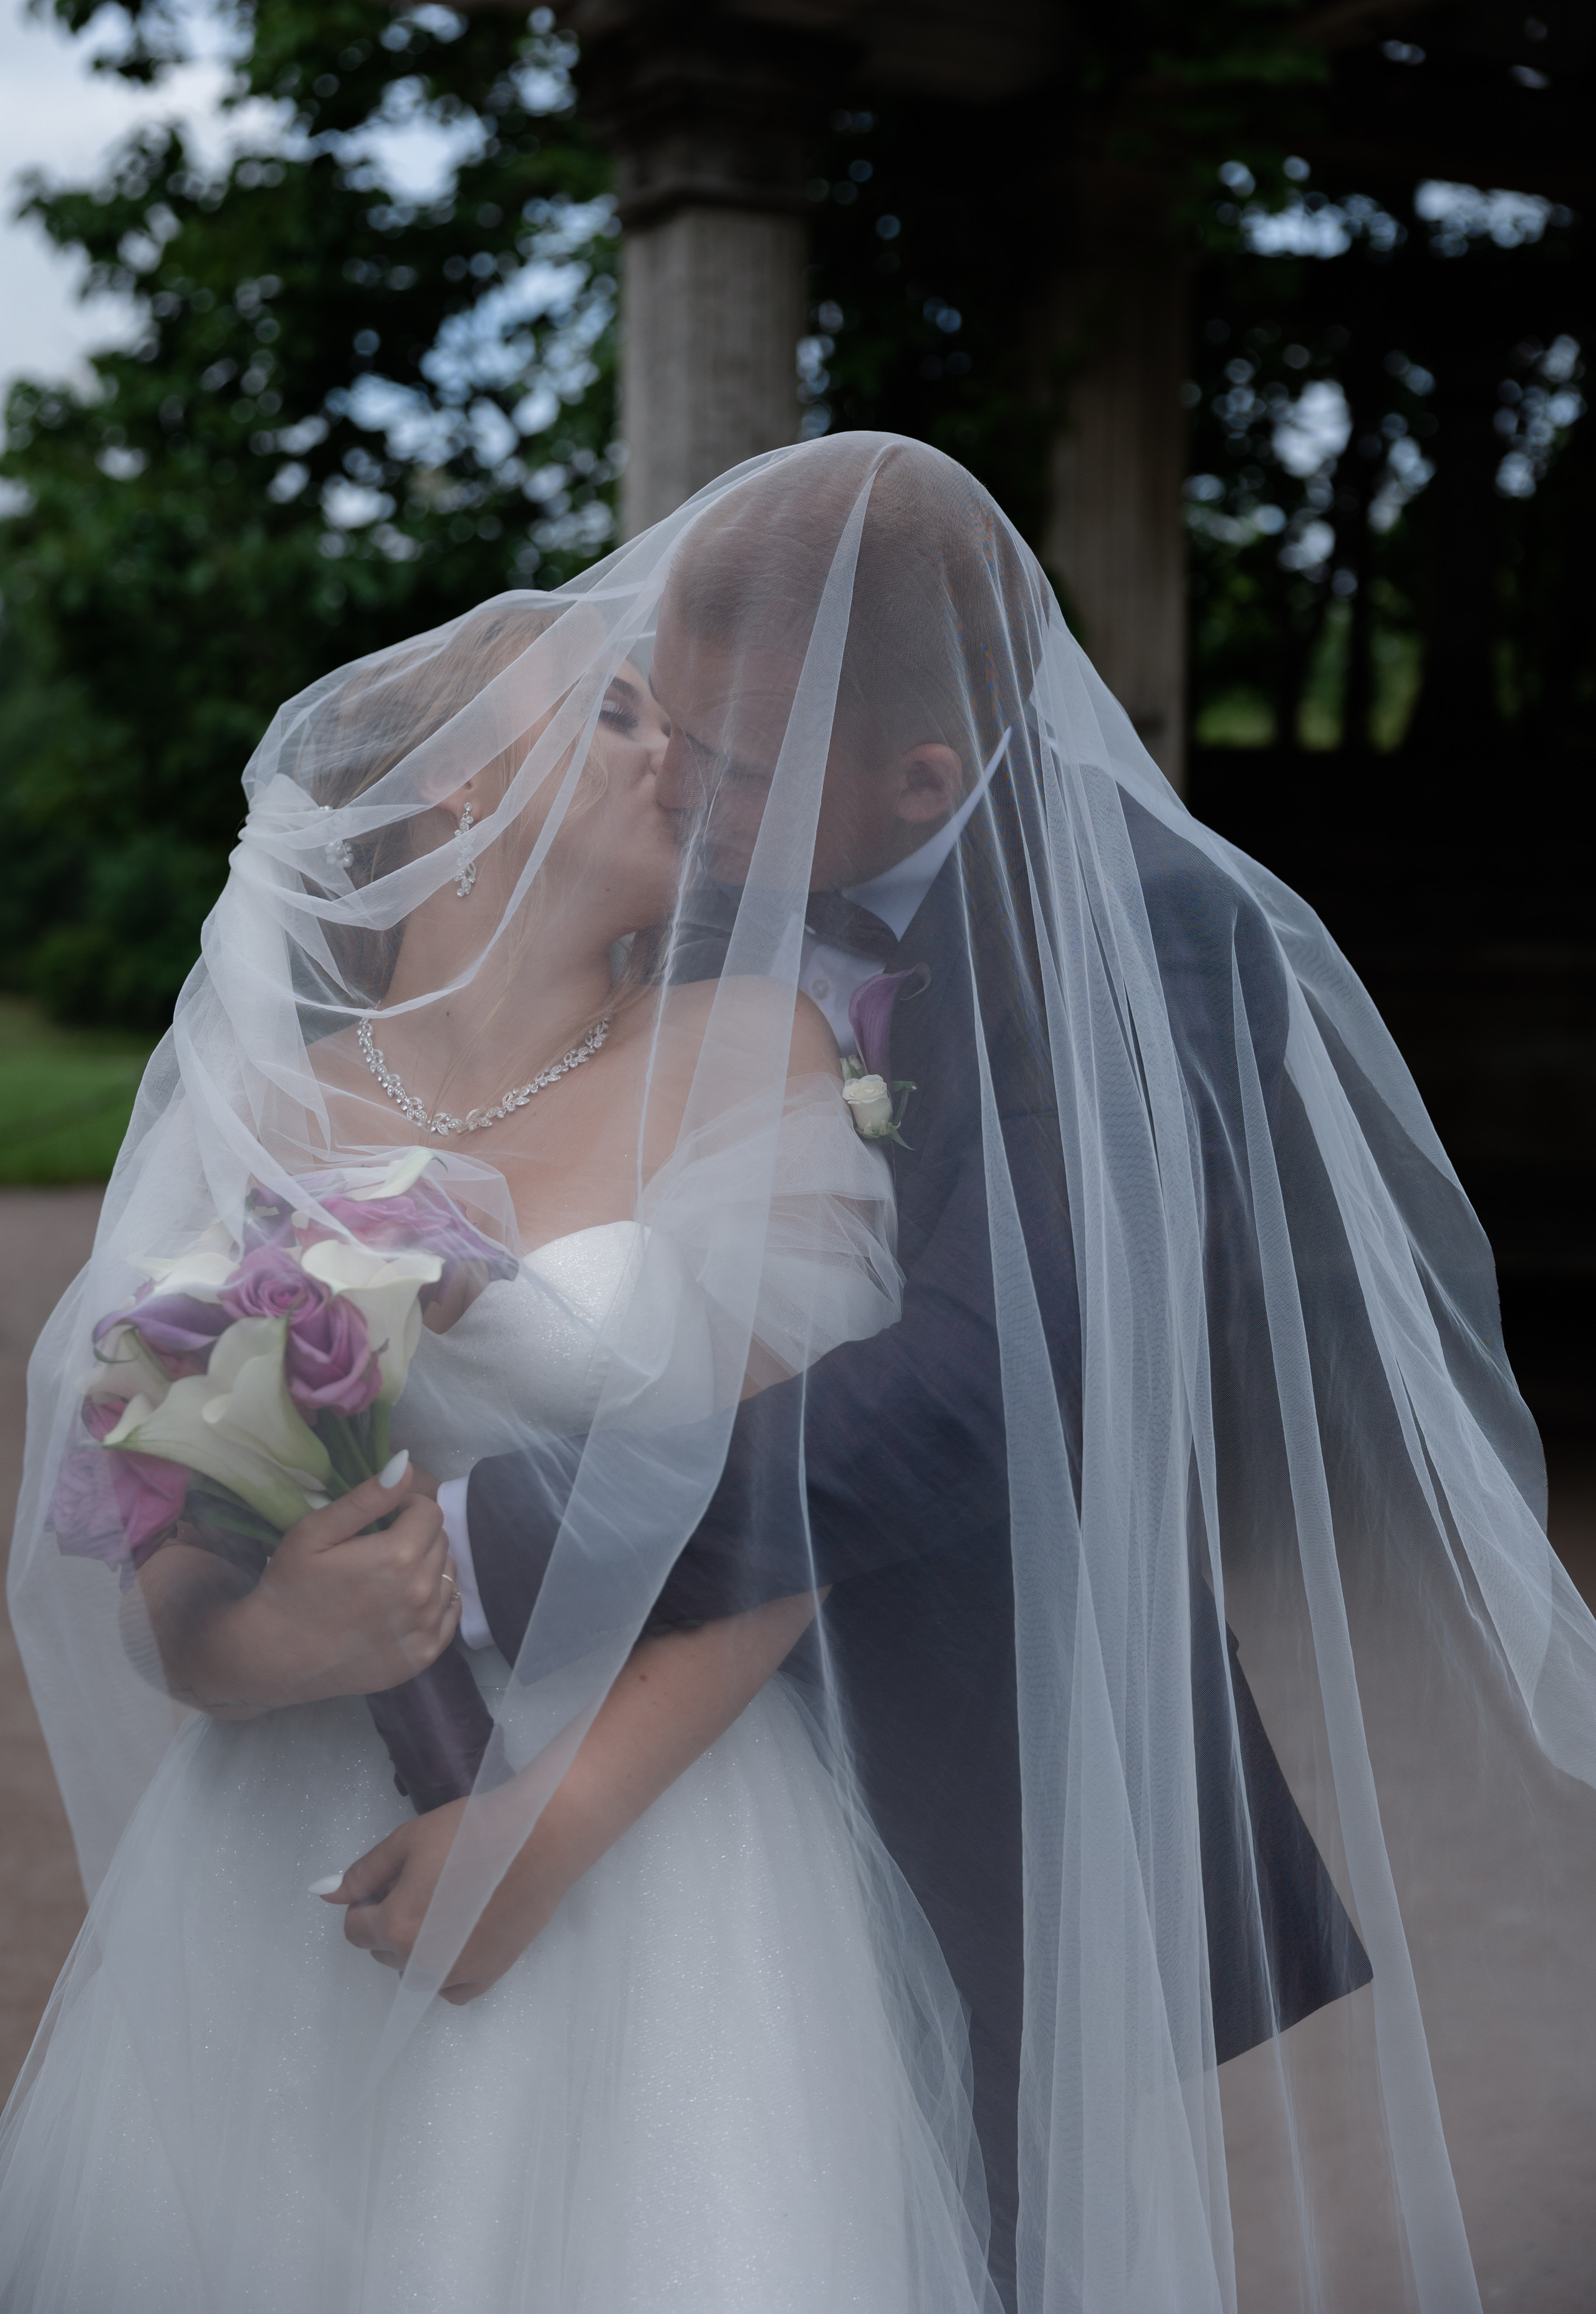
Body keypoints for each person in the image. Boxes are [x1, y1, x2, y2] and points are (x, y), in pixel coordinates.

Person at [6, 434, 1596, 2314]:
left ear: (915, 778)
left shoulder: (1119, 948)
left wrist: (478, 1568)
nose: (673, 776)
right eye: (637, 717)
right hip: (313, 1822)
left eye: (719, 757)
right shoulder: (626, 921)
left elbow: (969, 1395)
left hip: (852, 1749)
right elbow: (172, 1506)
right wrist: (257, 1635)